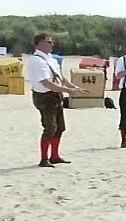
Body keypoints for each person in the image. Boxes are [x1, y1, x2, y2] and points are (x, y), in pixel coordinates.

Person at [26, 33, 88, 167]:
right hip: (45, 96)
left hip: (55, 95)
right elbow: (46, 83)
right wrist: (68, 90)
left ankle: (54, 156)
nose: (52, 44)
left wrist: (73, 87)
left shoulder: (51, 59)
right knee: (50, 128)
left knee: (60, 127)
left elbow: (60, 77)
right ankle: (44, 158)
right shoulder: (36, 61)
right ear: (39, 43)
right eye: (49, 42)